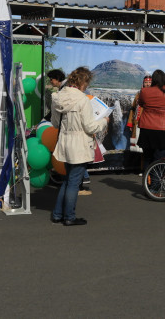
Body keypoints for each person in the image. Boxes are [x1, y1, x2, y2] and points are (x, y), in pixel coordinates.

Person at [50, 67, 109, 226]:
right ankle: (69, 217)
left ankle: (57, 214)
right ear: (83, 82)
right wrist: (103, 122)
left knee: (67, 180)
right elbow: (90, 127)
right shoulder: (83, 100)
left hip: (65, 143)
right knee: (74, 183)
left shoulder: (58, 97)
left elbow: (55, 123)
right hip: (79, 145)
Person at [127, 75, 152, 154]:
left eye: (149, 82)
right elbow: (133, 108)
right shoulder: (138, 94)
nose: (147, 84)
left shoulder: (154, 95)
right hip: (137, 123)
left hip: (149, 124)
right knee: (136, 146)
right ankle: (138, 162)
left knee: (147, 146)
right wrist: (130, 123)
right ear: (143, 83)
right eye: (146, 82)